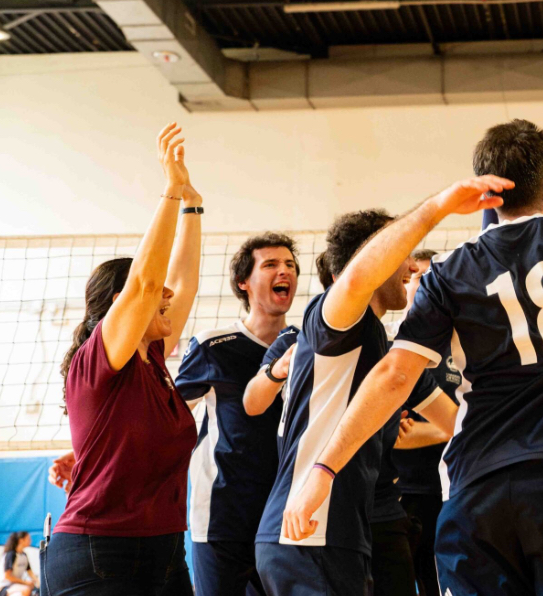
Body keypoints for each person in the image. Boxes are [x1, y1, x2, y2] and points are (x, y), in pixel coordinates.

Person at [281, 8, 543, 595]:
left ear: (485, 193)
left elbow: (393, 377)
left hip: (480, 486)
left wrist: (323, 469)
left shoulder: (448, 272)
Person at [253, 202, 476, 596]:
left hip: (342, 532)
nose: (412, 267)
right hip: (310, 530)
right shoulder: (337, 323)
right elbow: (356, 278)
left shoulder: (386, 351)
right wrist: (439, 207)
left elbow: (453, 422)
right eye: (404, 253)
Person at [42, 123, 201, 596]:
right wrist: (170, 192)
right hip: (99, 552)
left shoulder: (153, 359)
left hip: (165, 551)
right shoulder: (98, 360)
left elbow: (182, 284)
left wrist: (192, 205)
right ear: (121, 305)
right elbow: (147, 285)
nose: (167, 297)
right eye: (155, 295)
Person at [176, 233, 301, 596]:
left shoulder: (305, 344)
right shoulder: (214, 345)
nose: (284, 271)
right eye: (271, 264)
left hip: (283, 515)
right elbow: (168, 415)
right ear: (243, 282)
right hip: (222, 515)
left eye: (290, 265)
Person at [392, 249, 458, 596]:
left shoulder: (462, 346)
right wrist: (452, 427)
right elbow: (393, 435)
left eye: (435, 277)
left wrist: (447, 427)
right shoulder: (390, 345)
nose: (429, 284)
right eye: (420, 276)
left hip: (449, 488)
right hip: (399, 492)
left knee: (441, 583)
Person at [0, 532, 35, 596]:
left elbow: (31, 573)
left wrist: (39, 584)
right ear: (21, 540)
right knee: (25, 590)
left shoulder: (24, 555)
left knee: (33, 590)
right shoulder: (11, 555)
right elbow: (8, 576)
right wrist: (25, 582)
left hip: (15, 585)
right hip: (3, 587)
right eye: (28, 539)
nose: (30, 541)